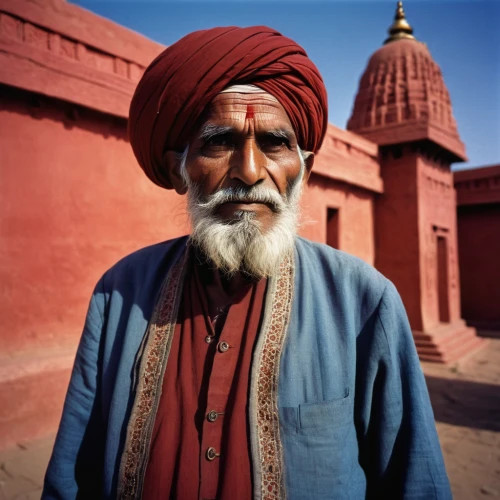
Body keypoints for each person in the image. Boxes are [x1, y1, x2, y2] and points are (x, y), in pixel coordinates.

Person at [43, 26, 451, 500]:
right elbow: (71, 480)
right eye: (219, 143)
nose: (250, 172)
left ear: (305, 169)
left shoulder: (363, 301)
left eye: (276, 144)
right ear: (181, 168)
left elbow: (415, 483)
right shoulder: (119, 294)